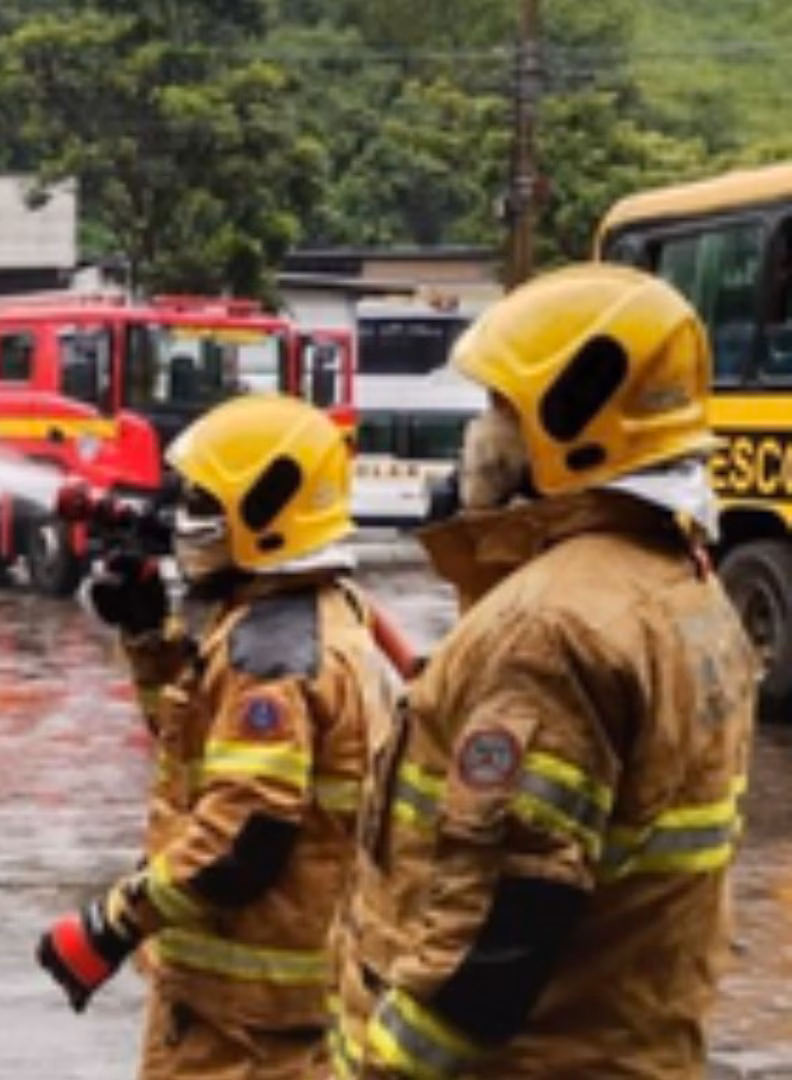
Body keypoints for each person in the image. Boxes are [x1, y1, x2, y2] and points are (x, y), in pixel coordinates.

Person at [328, 264, 759, 1079]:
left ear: (568, 422)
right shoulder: (684, 589)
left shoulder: (548, 629)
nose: (481, 433)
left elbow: (496, 937)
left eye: (500, 408)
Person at [37, 394, 394, 1079]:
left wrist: (110, 923)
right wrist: (151, 641)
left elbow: (241, 836)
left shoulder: (271, 658)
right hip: (273, 1010)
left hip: (246, 1029)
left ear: (265, 514)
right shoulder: (305, 619)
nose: (186, 522)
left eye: (205, 503)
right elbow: (201, 754)